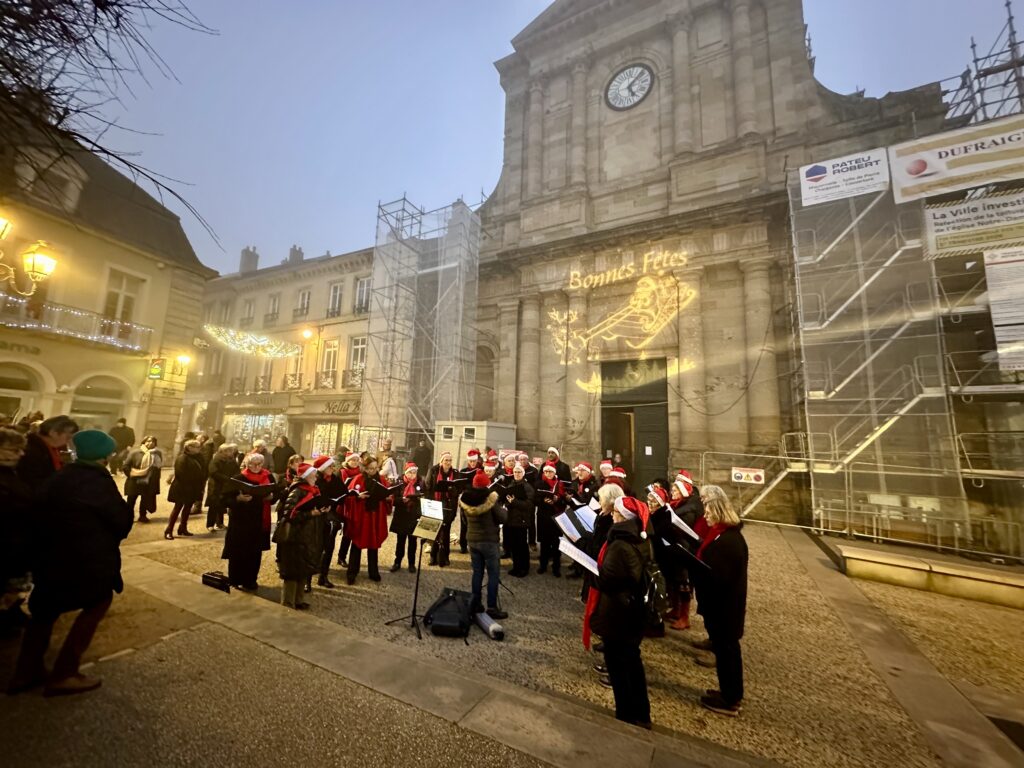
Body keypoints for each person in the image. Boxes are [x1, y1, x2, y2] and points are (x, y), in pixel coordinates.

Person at [8, 430, 132, 696]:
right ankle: (64, 673)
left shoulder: (59, 476)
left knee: (43, 613)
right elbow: (120, 521)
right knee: (98, 602)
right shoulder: (98, 481)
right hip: (86, 560)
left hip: (49, 559)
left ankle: (25, 673)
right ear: (104, 455)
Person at [586, 494, 652, 729]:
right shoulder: (639, 536)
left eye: (615, 513)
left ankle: (627, 716)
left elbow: (608, 580)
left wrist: (591, 571)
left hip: (619, 613)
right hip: (631, 611)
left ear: (624, 517)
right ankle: (641, 713)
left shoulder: (621, 544)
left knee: (620, 664)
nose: (612, 515)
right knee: (632, 661)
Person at [692, 485, 749, 717]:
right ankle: (728, 692)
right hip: (723, 606)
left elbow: (718, 577)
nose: (704, 515)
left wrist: (696, 569)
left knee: (728, 653)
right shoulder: (722, 534)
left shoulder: (728, 541)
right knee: (726, 652)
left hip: (726, 608)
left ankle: (730, 699)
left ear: (718, 512)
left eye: (708, 511)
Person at [221, 453, 277, 591]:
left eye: (259, 464)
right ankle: (235, 578)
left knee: (255, 552)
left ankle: (251, 580)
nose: (256, 467)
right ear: (247, 464)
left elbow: (275, 495)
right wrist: (238, 500)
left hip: (259, 521)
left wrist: (271, 497)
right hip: (241, 521)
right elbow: (224, 499)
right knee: (238, 551)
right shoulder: (238, 478)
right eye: (253, 464)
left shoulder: (268, 477)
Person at [459, 470, 508, 619]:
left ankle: (476, 604)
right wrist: (504, 510)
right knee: (493, 574)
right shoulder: (491, 500)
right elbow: (502, 518)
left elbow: (463, 521)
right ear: (487, 483)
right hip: (489, 541)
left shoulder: (465, 499)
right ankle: (492, 607)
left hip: (472, 540)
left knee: (477, 572)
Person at [277, 463, 324, 610]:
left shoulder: (312, 490)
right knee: (292, 571)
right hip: (295, 537)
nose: (316, 477)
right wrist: (310, 513)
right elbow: (289, 513)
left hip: (307, 536)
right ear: (306, 476)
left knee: (303, 568)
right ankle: (288, 603)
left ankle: (298, 600)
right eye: (313, 475)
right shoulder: (297, 491)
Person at [0, 429, 32, 636]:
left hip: (15, 543)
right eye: (14, 450)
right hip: (6, 545)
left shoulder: (10, 472)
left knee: (13, 588)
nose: (21, 454)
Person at [342, 455, 390, 584]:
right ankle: (352, 573)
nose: (372, 471)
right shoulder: (358, 479)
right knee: (357, 543)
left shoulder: (381, 479)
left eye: (375, 468)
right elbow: (348, 497)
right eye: (370, 468)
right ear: (365, 468)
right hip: (362, 516)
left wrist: (387, 498)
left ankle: (373, 572)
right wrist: (358, 497)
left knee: (373, 545)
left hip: (375, 516)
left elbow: (388, 495)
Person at [16, 414, 78, 486]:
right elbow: (33, 481)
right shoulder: (31, 450)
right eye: (68, 435)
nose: (70, 439)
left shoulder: (49, 448)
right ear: (53, 433)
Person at [311, 455, 343, 590]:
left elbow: (343, 493)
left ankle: (323, 576)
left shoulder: (334, 478)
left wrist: (334, 504)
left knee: (328, 547)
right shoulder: (315, 478)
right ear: (323, 468)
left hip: (330, 517)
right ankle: (307, 579)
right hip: (316, 517)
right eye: (330, 466)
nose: (333, 468)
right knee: (314, 548)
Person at [165, 439, 207, 540]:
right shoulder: (182, 458)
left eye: (199, 447)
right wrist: (194, 481)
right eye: (196, 447)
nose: (199, 449)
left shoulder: (199, 458)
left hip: (193, 488)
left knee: (187, 508)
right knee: (177, 508)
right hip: (182, 487)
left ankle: (183, 528)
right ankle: (169, 530)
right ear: (189, 448)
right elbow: (181, 474)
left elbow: (204, 470)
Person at [425, 451, 459, 567]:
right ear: (441, 461)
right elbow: (428, 486)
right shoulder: (433, 471)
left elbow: (458, 490)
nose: (448, 463)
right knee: (435, 531)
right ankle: (433, 556)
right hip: (435, 504)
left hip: (449, 506)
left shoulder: (455, 473)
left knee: (446, 532)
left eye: (450, 460)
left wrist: (451, 489)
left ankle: (445, 557)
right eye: (446, 460)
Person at [389, 462, 423, 573]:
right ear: (406, 473)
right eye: (410, 473)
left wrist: (418, 499)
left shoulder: (421, 482)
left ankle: (411, 563)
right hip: (402, 516)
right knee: (401, 541)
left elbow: (425, 496)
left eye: (414, 472)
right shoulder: (399, 483)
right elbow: (393, 499)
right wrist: (401, 500)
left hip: (414, 515)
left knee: (413, 541)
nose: (413, 475)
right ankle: (397, 561)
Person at [535, 461, 567, 576]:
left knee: (556, 543)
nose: (548, 473)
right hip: (543, 516)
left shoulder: (560, 484)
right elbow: (535, 499)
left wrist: (557, 500)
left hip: (556, 517)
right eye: (546, 471)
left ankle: (556, 567)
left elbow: (564, 501)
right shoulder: (539, 483)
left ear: (554, 472)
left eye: (550, 471)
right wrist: (542, 501)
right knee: (544, 543)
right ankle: (543, 565)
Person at [503, 463, 534, 578]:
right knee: (514, 545)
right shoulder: (511, 484)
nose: (516, 474)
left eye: (519, 472)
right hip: (511, 519)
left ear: (523, 473)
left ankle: (524, 568)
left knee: (522, 545)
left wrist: (514, 502)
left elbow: (529, 505)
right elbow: (507, 499)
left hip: (522, 521)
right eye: (515, 472)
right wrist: (507, 502)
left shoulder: (527, 487)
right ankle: (516, 567)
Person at [123, 435, 162, 523]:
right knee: (131, 500)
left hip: (149, 481)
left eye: (153, 441)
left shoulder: (157, 454)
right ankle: (128, 516)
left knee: (145, 499)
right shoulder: (135, 453)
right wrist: (131, 475)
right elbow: (126, 466)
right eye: (148, 441)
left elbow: (158, 468)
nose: (150, 443)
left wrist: (155, 481)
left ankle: (142, 516)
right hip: (135, 480)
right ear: (143, 442)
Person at [335, 451, 362, 567]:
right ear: (347, 461)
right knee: (347, 532)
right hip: (345, 505)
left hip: (357, 505)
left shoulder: (361, 472)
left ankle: (352, 559)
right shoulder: (341, 472)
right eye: (353, 460)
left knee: (354, 532)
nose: (355, 462)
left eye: (357, 460)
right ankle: (342, 556)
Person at [205, 443, 238, 531]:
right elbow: (213, 472)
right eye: (229, 451)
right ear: (223, 451)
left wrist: (235, 477)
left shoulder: (232, 460)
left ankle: (220, 523)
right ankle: (210, 524)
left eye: (231, 450)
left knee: (222, 505)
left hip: (226, 486)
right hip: (216, 485)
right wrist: (227, 478)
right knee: (214, 505)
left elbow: (236, 470)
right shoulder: (216, 459)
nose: (231, 452)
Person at [458, 448, 482, 554]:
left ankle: (475, 545)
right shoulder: (463, 471)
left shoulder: (481, 470)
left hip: (478, 500)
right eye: (471, 461)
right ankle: (463, 545)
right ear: (468, 461)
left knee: (476, 524)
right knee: (464, 524)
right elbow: (459, 486)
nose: (472, 463)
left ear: (477, 461)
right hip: (466, 500)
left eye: (474, 461)